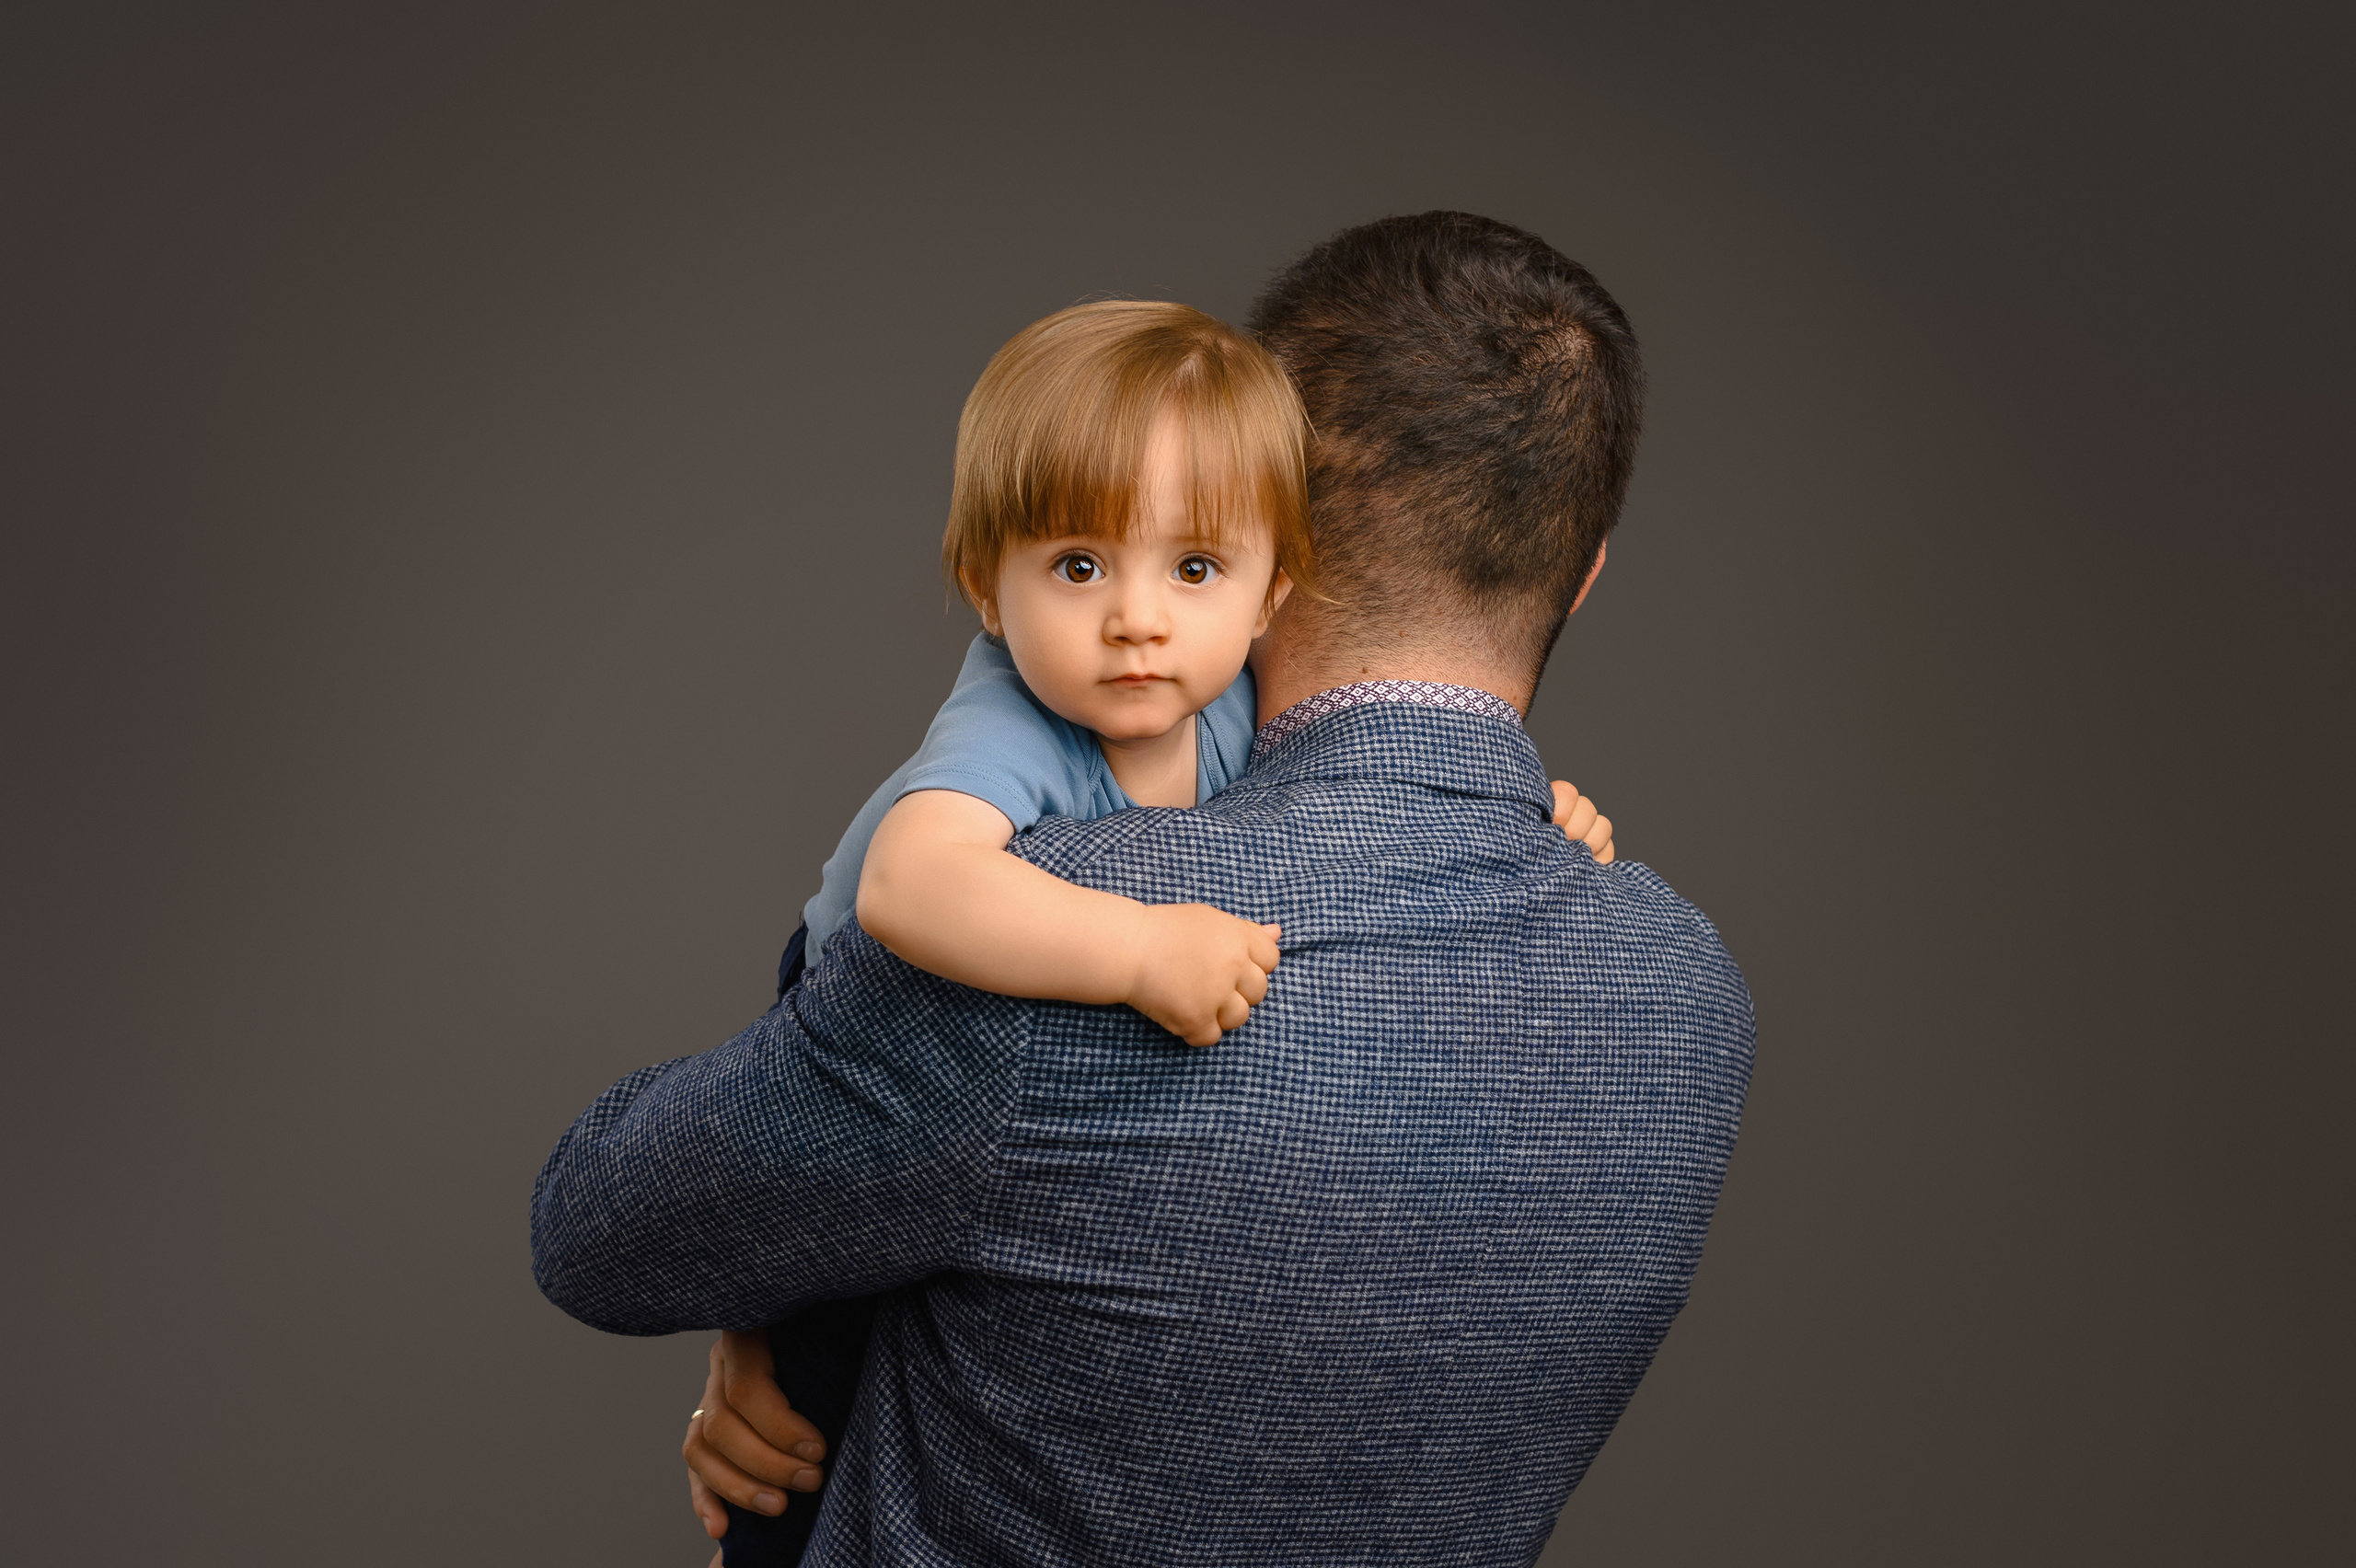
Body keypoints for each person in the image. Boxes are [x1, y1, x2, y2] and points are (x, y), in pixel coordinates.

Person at [532, 211, 1753, 1567]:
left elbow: (600, 1233)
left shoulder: (1058, 919)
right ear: (1581, 579)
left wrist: (772, 1299)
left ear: (1280, 548)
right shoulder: (1684, 995)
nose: (1133, 611)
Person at [705, 296, 1616, 1565]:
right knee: (799, 1421)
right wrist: (1137, 954)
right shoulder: (1016, 722)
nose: (1136, 618)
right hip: (871, 988)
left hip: (1008, 1034)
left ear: (1272, 593)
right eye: (1077, 567)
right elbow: (910, 892)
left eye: (1193, 569)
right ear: (985, 585)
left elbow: (1393, 776)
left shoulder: (1227, 688)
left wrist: (1533, 808)